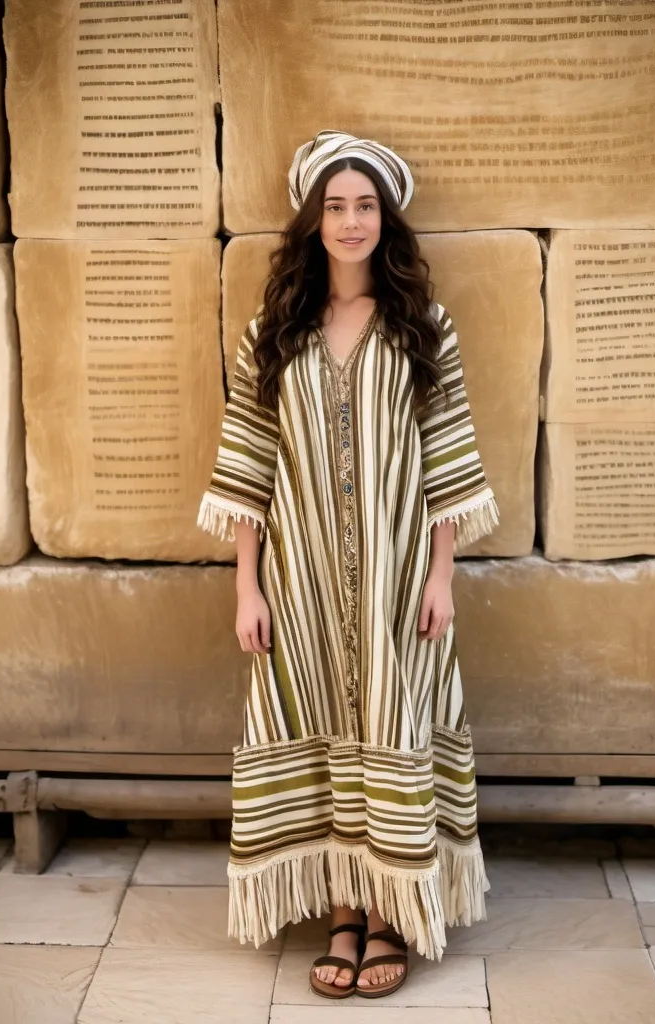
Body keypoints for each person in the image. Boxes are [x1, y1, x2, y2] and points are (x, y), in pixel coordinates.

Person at [197, 129, 497, 1000]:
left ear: (386, 218)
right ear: (313, 220)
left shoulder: (420, 326)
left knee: (391, 724)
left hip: (400, 582)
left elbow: (447, 458)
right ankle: (342, 910)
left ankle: (393, 912)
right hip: (300, 583)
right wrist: (247, 583)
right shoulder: (277, 329)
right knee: (322, 725)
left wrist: (442, 575)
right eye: (335, 205)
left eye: (365, 205)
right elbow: (248, 462)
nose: (351, 220)